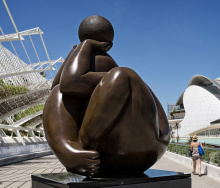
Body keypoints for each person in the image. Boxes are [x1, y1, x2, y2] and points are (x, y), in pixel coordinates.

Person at [43, 15, 170, 177]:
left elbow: (71, 82)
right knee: (58, 92)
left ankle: (81, 147)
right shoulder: (106, 75)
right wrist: (80, 48)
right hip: (127, 154)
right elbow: (61, 87)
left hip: (138, 149)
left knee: (122, 75)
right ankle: (70, 150)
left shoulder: (120, 75)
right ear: (109, 44)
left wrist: (84, 45)